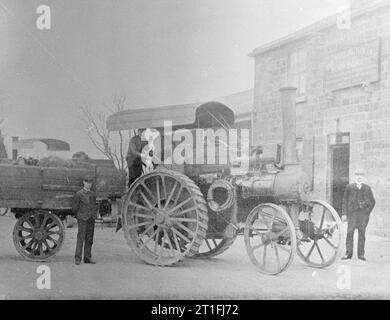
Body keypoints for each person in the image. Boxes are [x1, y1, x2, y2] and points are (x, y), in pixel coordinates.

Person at [341, 169, 375, 261]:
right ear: (355, 176)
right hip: (352, 214)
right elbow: (344, 201)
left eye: (361, 175)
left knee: (362, 233)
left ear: (363, 177)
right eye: (357, 175)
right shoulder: (349, 187)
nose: (359, 177)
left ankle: (361, 254)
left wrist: (367, 212)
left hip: (362, 215)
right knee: (350, 233)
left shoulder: (367, 188)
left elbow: (372, 202)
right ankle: (348, 253)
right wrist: (344, 214)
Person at [72, 175, 97, 265]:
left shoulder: (93, 194)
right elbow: (75, 208)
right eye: (87, 182)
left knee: (89, 239)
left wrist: (93, 216)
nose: (88, 184)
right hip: (82, 219)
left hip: (91, 219)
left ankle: (87, 258)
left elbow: (94, 205)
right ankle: (77, 258)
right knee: (81, 238)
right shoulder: (79, 194)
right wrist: (79, 216)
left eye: (90, 183)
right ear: (83, 182)